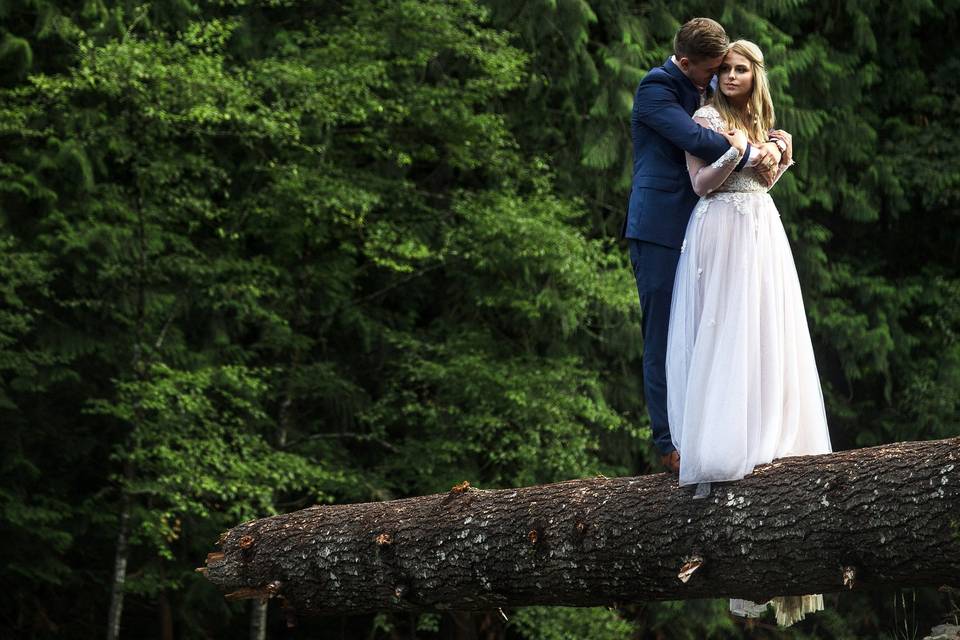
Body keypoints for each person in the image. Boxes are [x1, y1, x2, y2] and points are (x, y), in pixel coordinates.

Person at [665, 39, 833, 627]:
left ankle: (770, 432)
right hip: (721, 228)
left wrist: (778, 157)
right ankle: (724, 441)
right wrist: (738, 154)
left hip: (761, 226)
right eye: (726, 69)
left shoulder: (762, 120)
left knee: (767, 329)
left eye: (741, 69)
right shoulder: (705, 119)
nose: (731, 76)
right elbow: (701, 183)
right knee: (727, 329)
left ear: (754, 75)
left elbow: (766, 183)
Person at [621, 17, 786, 474]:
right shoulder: (656, 88)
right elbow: (696, 139)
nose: (719, 77)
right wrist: (756, 151)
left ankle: (713, 431)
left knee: (708, 326)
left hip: (705, 230)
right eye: (711, 69)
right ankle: (668, 442)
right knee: (662, 333)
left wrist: (775, 140)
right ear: (687, 62)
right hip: (659, 227)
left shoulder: (706, 89)